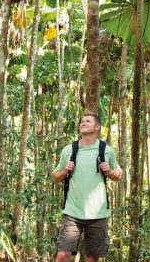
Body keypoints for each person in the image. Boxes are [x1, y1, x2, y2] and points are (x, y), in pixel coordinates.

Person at [52, 112, 122, 262]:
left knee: (92, 258)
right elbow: (56, 176)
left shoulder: (106, 150)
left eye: (87, 121)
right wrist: (65, 171)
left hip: (98, 214)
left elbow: (118, 174)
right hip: (72, 212)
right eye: (82, 121)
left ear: (97, 126)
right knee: (63, 255)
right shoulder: (69, 150)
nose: (83, 123)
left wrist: (109, 171)